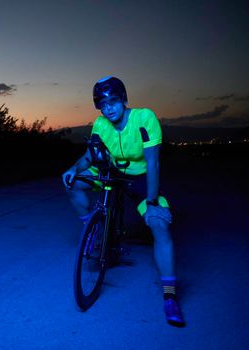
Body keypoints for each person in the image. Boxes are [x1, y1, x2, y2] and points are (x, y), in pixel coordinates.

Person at [62, 76, 185, 327]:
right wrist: (73, 169)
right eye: (102, 104)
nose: (108, 108)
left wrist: (151, 202)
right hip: (112, 172)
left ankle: (170, 296)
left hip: (139, 179)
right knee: (71, 183)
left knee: (159, 225)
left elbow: (153, 163)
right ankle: (95, 230)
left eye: (113, 101)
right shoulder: (100, 124)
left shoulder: (144, 118)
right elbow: (89, 157)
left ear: (124, 99)